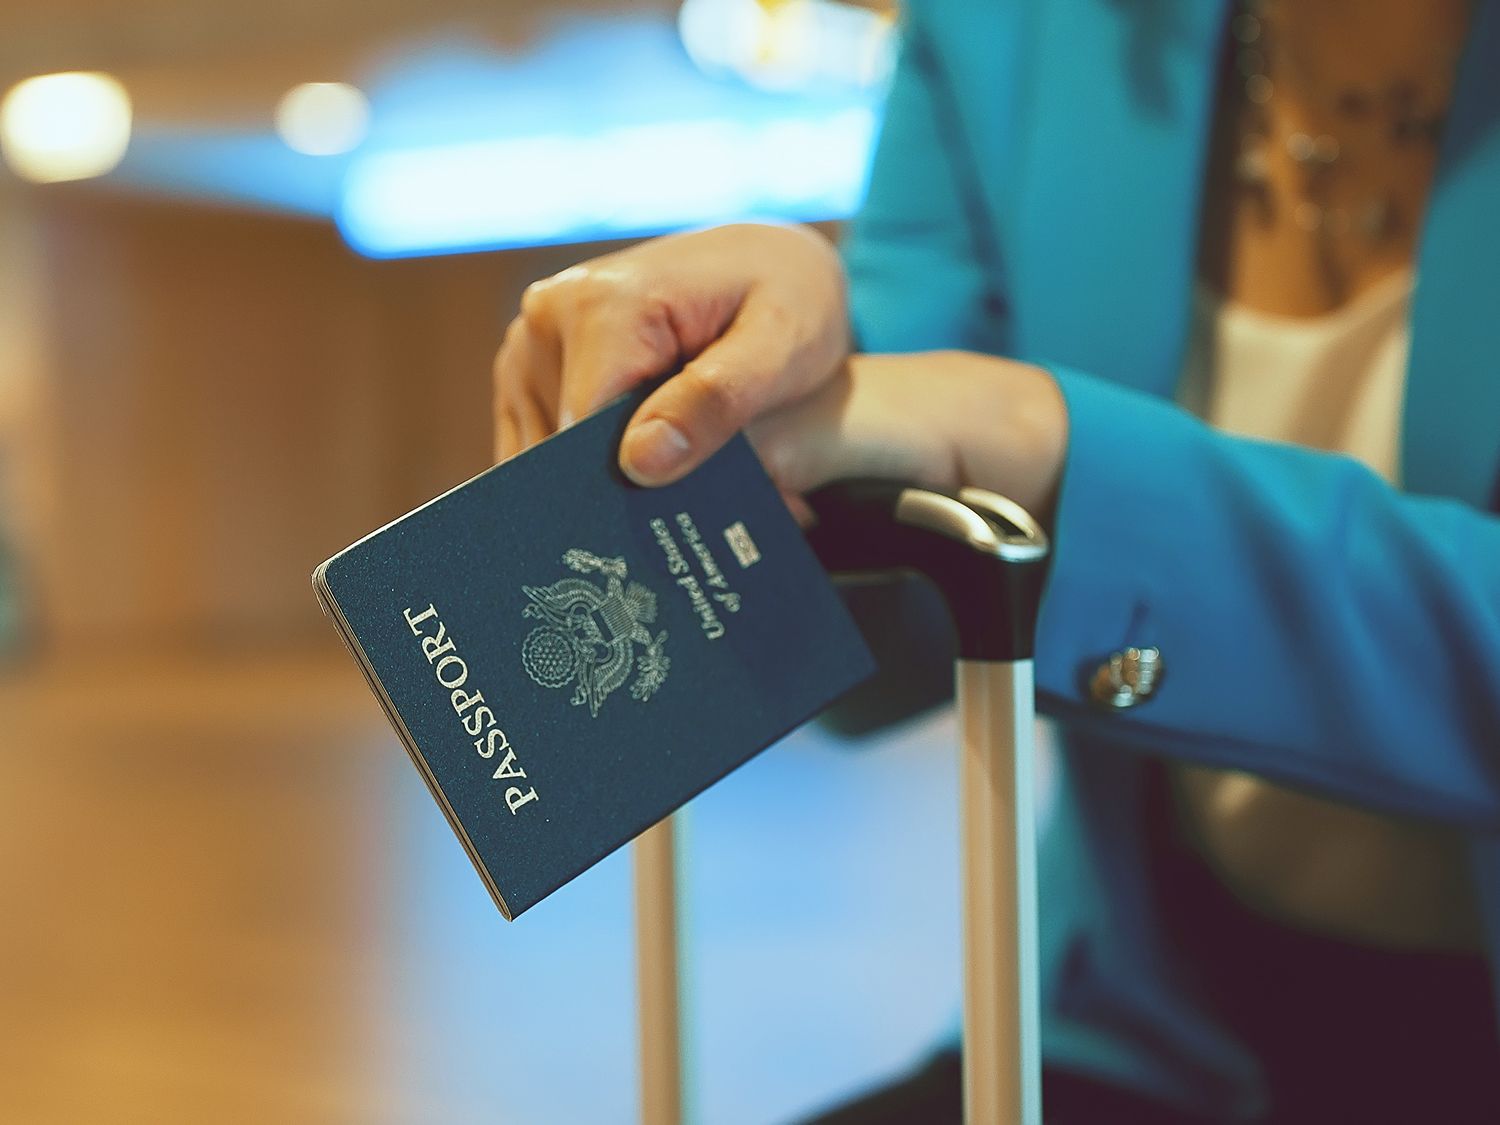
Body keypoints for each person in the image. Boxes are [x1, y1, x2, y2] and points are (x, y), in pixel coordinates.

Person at [492, 0, 1500, 1120]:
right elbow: (897, 580)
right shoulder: (1005, 29)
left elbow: (987, 423)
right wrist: (759, 373)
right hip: (1161, 1022)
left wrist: (1041, 446)